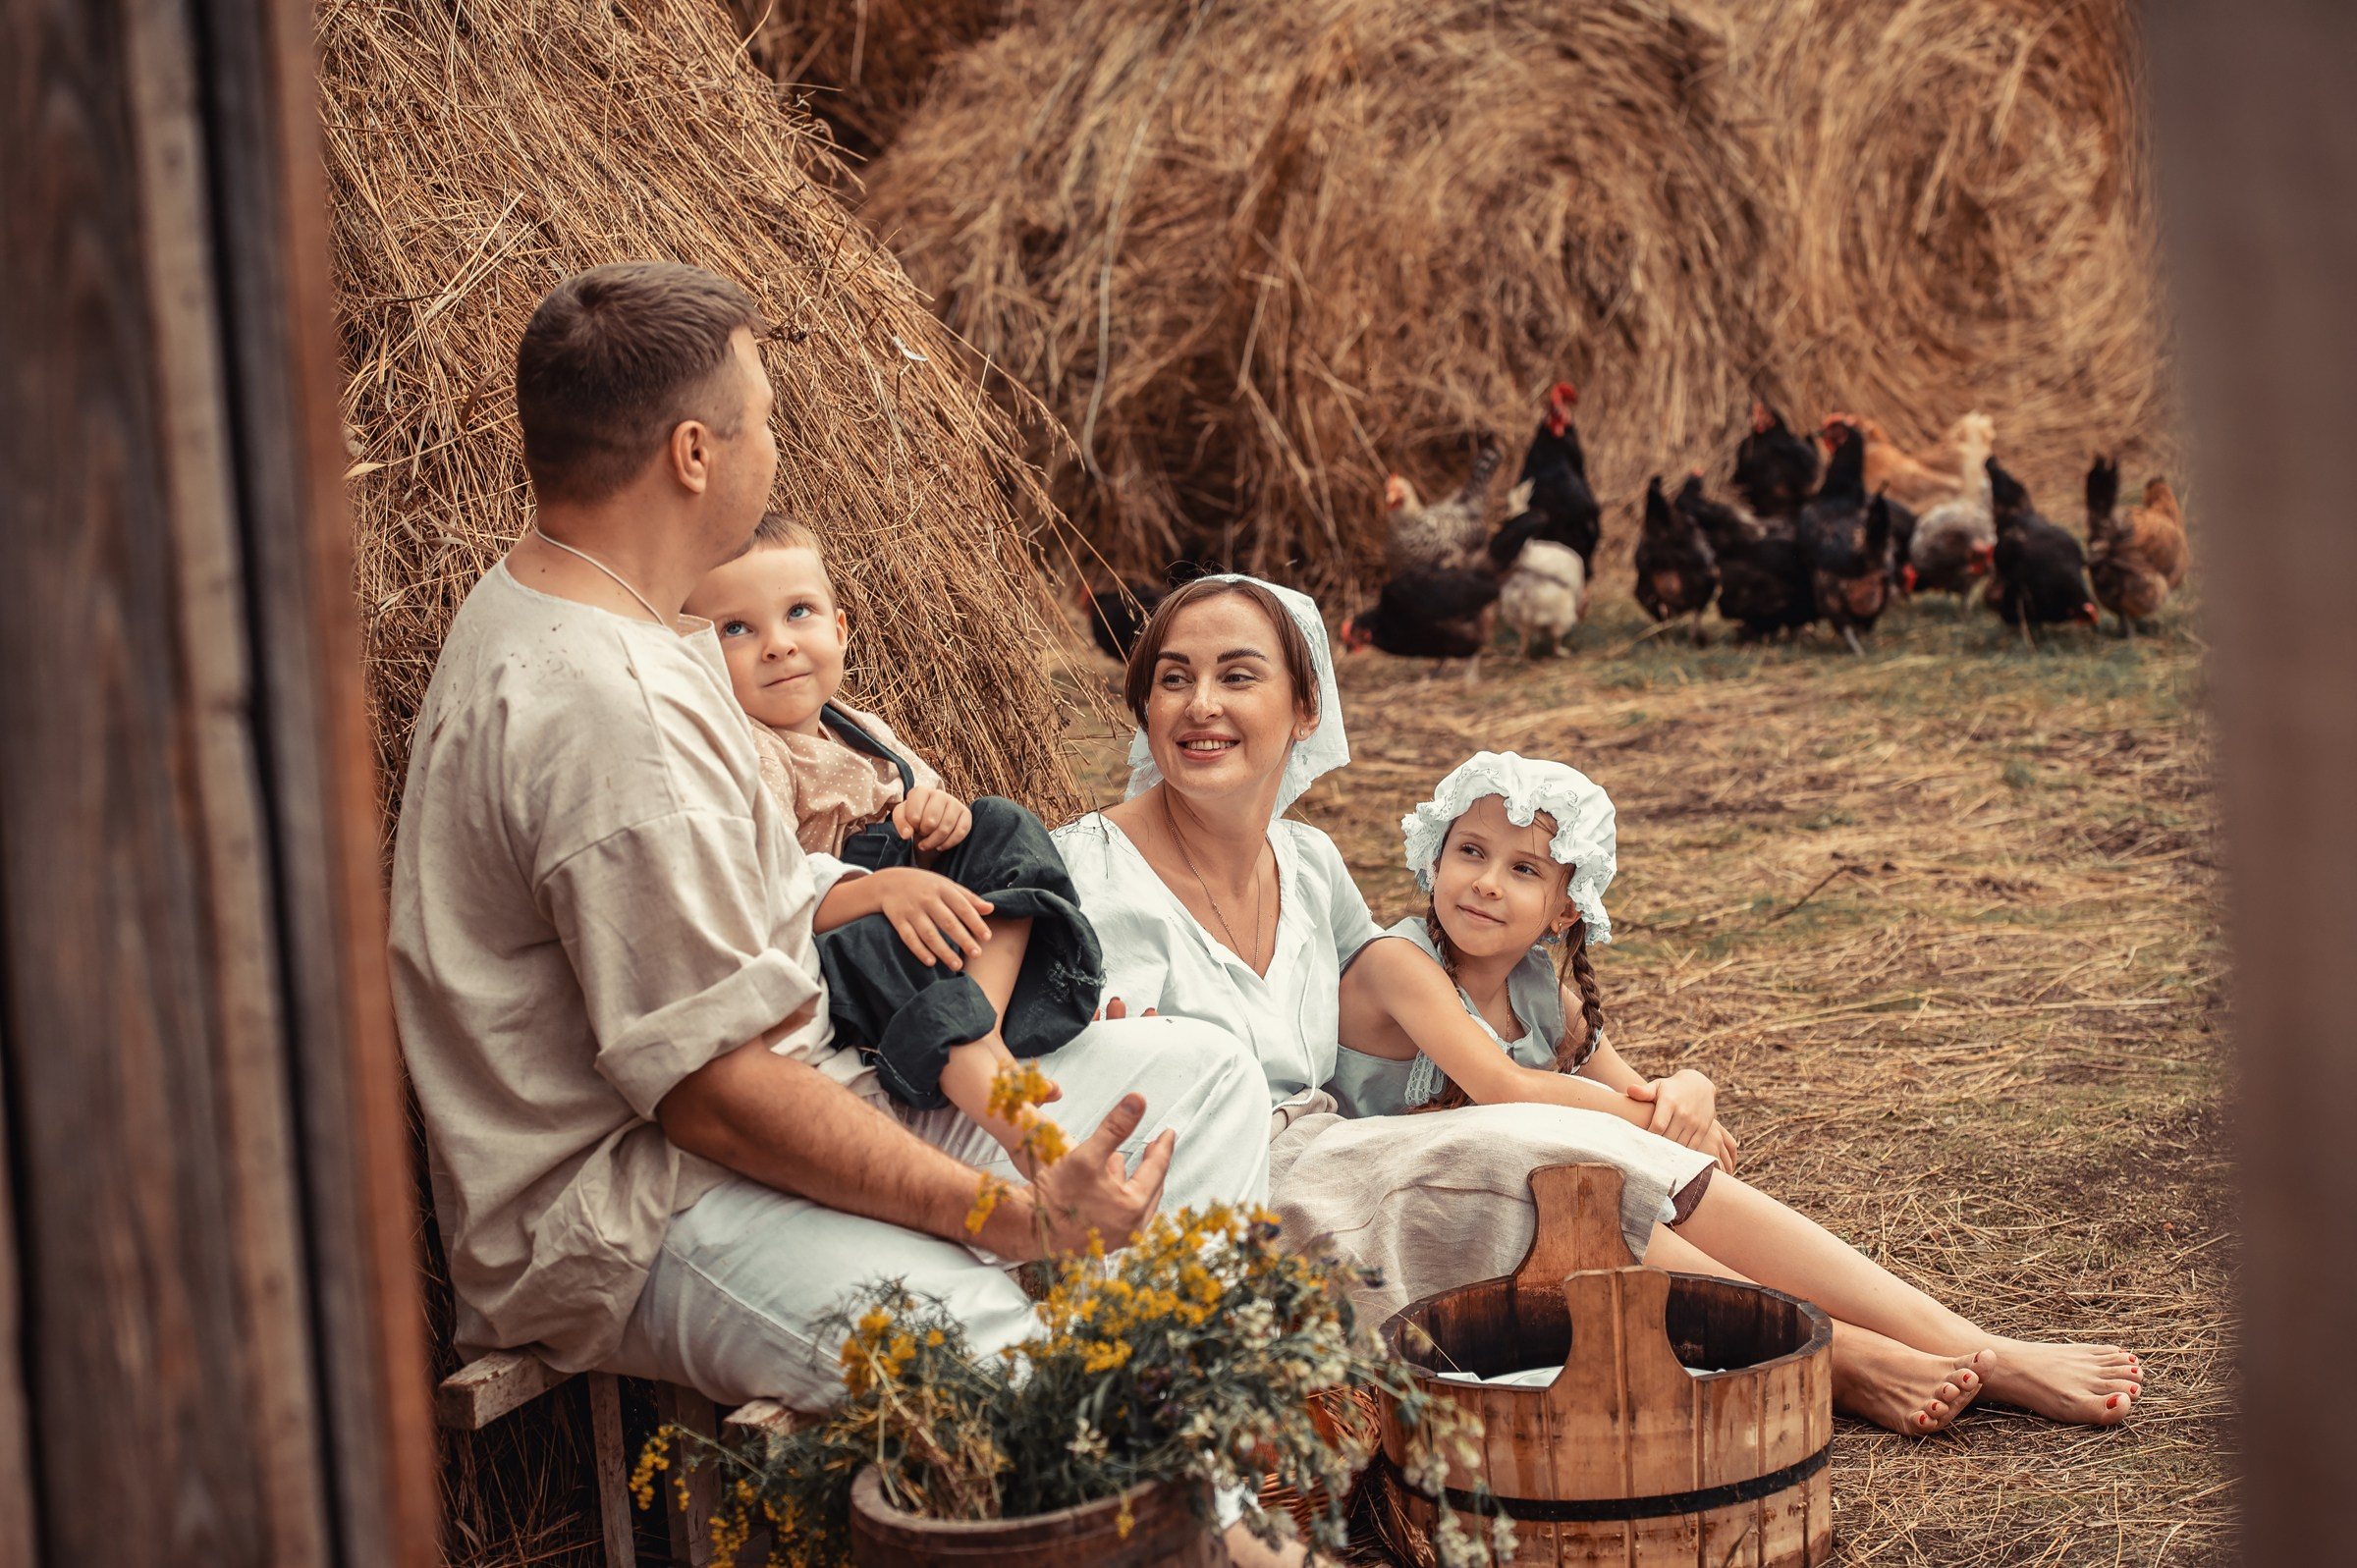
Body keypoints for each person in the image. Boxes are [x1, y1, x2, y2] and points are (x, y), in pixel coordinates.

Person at [386, 263, 1272, 1474]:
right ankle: (1121, 1480)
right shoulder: (607, 708)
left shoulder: (630, 622)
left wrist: (875, 896)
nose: (776, 446)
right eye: (766, 419)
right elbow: (714, 1093)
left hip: (806, 1088)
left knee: (1207, 1077)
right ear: (695, 452)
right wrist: (1015, 1217)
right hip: (638, 1206)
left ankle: (1148, 1467)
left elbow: (742, 895)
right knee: (989, 1348)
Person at [1053, 575, 2143, 1435]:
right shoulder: (1085, 870)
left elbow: (1445, 989)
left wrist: (1654, 1087)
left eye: (1236, 676)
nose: (1200, 705)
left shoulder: (1310, 860)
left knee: (1584, 1154)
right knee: (1528, 1148)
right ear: (1143, 702)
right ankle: (1836, 1355)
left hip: (1358, 1152)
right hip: (1232, 1199)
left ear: (1301, 711)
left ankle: (1975, 1343)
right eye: (1173, 678)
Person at [683, 510, 1101, 1166]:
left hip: (920, 916)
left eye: (799, 613)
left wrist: (938, 822)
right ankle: (1021, 1132)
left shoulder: (861, 728)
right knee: (883, 940)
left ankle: (979, 1026)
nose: (777, 644)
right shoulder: (750, 752)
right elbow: (773, 891)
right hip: (838, 952)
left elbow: (930, 831)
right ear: (699, 661)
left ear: (840, 628)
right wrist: (883, 889)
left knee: (1003, 823)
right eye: (737, 628)